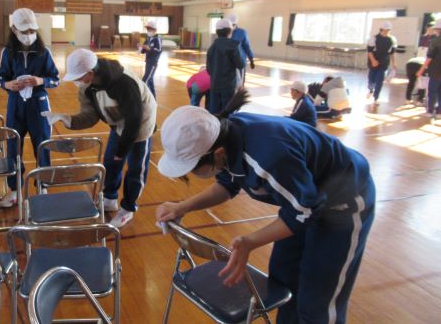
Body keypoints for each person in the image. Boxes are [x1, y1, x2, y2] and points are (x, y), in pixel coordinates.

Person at [156, 91, 375, 324]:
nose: (192, 174)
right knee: (283, 280)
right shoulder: (226, 136)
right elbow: (228, 184)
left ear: (217, 153)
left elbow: (304, 212)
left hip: (343, 205)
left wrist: (250, 241)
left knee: (318, 300)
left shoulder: (269, 156)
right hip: (301, 203)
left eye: (192, 168)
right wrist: (183, 207)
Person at [44, 48, 156, 228]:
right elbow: (90, 116)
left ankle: (128, 209)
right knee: (110, 162)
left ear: (90, 73)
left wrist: (122, 151)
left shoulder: (124, 83)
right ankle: (110, 198)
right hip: (119, 121)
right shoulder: (87, 87)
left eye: (78, 78)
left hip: (140, 123)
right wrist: (67, 119)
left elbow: (134, 120)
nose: (76, 82)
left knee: (136, 169)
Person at [0, 8, 60, 207]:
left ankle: (43, 185)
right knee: (13, 146)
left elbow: (55, 79)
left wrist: (42, 80)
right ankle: (14, 189)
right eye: (24, 31)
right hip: (15, 104)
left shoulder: (44, 52)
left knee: (42, 144)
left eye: (32, 30)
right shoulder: (8, 52)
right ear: (14, 30)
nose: (29, 35)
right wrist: (8, 85)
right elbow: (1, 78)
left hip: (39, 105)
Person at [206, 18, 244, 114]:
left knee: (215, 113)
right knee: (228, 112)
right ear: (230, 32)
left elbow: (208, 69)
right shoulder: (233, 46)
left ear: (217, 32)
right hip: (228, 86)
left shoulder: (211, 47)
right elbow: (240, 64)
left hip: (214, 85)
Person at [366, 21, 397, 106]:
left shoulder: (392, 40)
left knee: (380, 81)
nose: (386, 31)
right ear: (381, 29)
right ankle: (371, 90)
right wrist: (373, 61)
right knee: (371, 79)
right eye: (385, 30)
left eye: (388, 30)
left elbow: (392, 53)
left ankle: (376, 98)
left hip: (384, 63)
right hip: (373, 63)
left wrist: (394, 63)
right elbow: (369, 51)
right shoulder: (374, 38)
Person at [417, 20, 441, 118]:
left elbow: (429, 58)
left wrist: (421, 70)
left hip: (435, 71)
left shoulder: (434, 41)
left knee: (432, 91)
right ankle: (439, 112)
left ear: (437, 29)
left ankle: (430, 111)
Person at [227, 13, 255, 85]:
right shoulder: (226, 32)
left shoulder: (242, 32)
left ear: (236, 24)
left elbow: (247, 46)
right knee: (230, 82)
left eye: (233, 24)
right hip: (229, 61)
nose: (231, 26)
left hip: (240, 61)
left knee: (240, 82)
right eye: (230, 24)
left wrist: (251, 59)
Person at [138, 20, 162, 98]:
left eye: (150, 29)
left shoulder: (157, 39)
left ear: (155, 30)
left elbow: (158, 50)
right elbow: (144, 50)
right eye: (147, 29)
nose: (148, 31)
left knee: (145, 80)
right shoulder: (148, 38)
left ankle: (141, 96)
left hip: (153, 63)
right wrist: (141, 48)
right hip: (148, 62)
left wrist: (149, 49)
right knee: (150, 80)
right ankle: (153, 99)